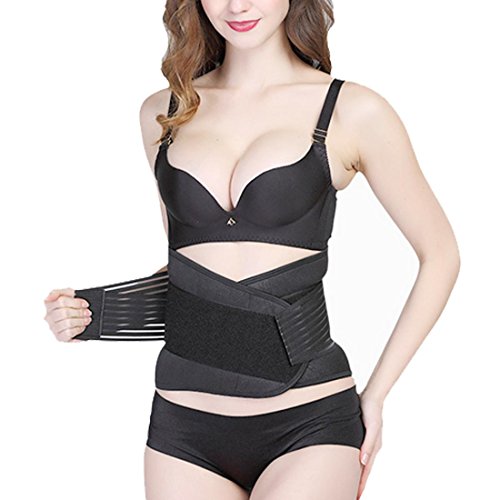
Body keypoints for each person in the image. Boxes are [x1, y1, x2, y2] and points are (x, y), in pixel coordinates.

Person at [43, 1, 461, 499]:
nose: (237, 5)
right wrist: (95, 313)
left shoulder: (352, 110)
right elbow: (191, 275)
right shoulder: (165, 111)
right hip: (183, 428)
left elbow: (441, 255)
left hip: (309, 423)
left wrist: (376, 394)